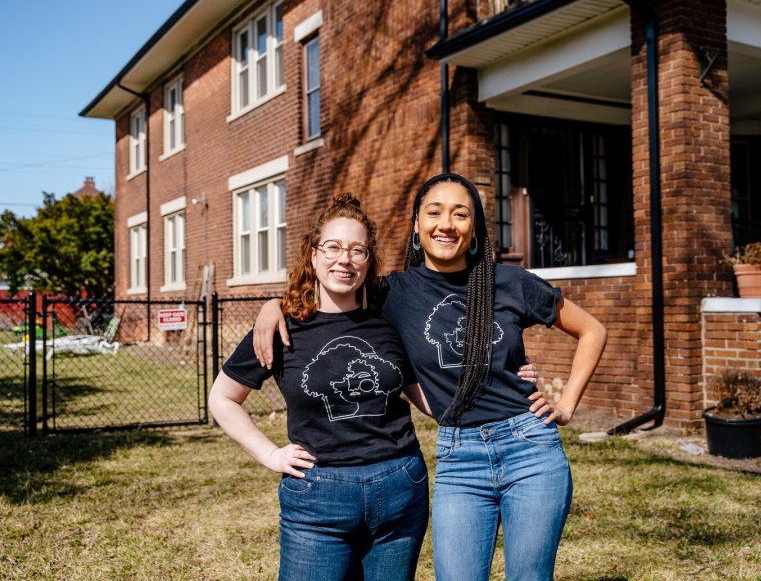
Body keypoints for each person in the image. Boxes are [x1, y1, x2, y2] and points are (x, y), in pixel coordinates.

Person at [253, 174, 607, 581]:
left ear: (473, 228)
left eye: (460, 214)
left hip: (530, 448)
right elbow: (333, 290)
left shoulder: (510, 282)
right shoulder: (391, 293)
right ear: (417, 226)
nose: (446, 223)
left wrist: (565, 406)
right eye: (434, 212)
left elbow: (592, 330)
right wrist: (272, 306)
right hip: (459, 457)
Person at [209, 195, 429, 581]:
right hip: (317, 499)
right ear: (313, 256)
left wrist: (504, 391)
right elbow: (223, 397)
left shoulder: (390, 319)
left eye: (357, 250)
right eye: (332, 247)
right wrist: (270, 455)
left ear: (368, 261)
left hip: (401, 488)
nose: (344, 259)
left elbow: (424, 391)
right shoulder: (283, 327)